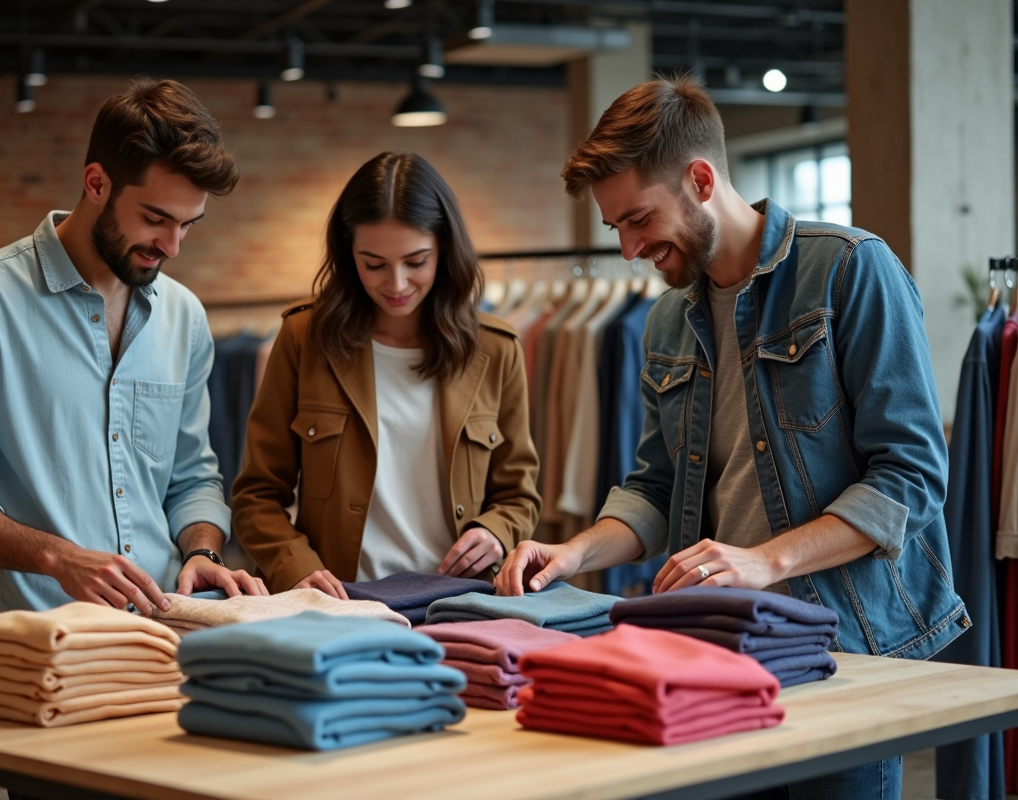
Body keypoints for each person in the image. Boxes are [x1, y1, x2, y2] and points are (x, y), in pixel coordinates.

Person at [495, 75, 966, 799]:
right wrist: (573, 552)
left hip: (841, 653)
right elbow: (655, 487)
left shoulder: (848, 270)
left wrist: (762, 562)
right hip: (718, 660)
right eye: (616, 227)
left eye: (638, 219)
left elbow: (911, 476)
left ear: (702, 178)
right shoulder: (664, 323)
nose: (627, 248)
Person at [0, 78, 267, 619]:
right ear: (96, 183)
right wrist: (58, 558)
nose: (173, 246)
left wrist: (202, 548)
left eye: (188, 224)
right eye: (155, 219)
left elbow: (192, 476)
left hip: (165, 638)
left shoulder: (184, 316)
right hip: (32, 649)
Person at [232, 151, 541, 598]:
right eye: (373, 264)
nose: (396, 284)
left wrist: (496, 531)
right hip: (340, 601)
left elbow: (519, 495)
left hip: (461, 602)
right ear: (347, 252)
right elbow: (256, 494)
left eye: (416, 261)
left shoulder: (496, 348)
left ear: (445, 250)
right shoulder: (304, 339)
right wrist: (293, 566)